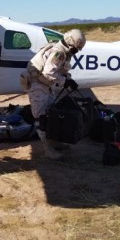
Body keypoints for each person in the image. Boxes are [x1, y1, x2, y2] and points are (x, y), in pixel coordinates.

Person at [25, 29, 86, 159]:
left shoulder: (64, 52)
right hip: (37, 85)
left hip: (45, 85)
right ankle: (47, 150)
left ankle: (53, 142)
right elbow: (48, 73)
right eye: (76, 48)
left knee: (51, 115)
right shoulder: (58, 52)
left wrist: (68, 79)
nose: (77, 51)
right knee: (40, 118)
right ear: (71, 43)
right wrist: (65, 82)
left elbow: (60, 71)